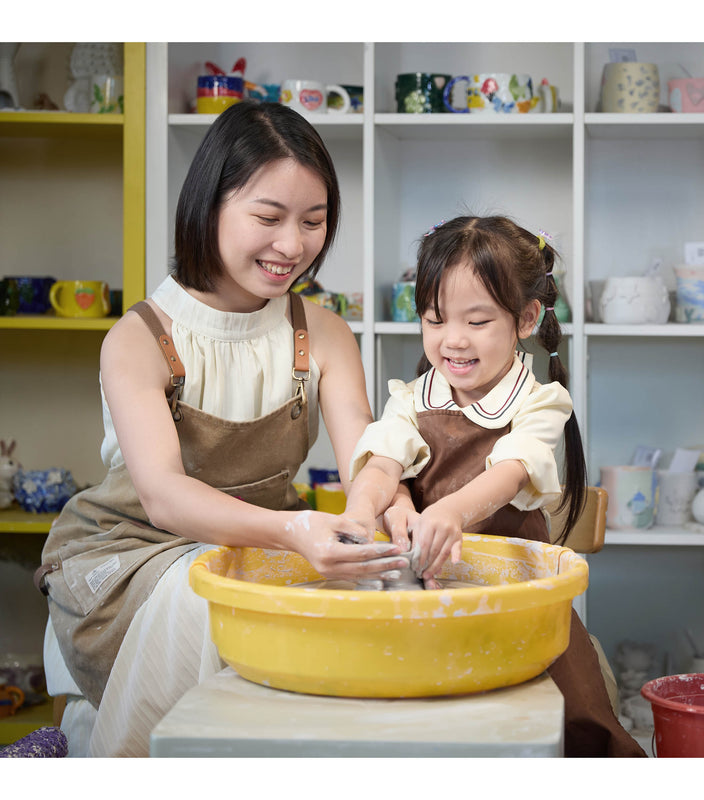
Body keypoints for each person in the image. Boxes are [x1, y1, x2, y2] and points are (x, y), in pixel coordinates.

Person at [35, 101, 406, 757]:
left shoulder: (322, 334)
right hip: (136, 553)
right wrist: (293, 531)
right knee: (214, 585)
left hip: (265, 547)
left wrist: (391, 510)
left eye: (314, 222)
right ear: (208, 206)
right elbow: (163, 497)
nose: (293, 245)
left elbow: (367, 460)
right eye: (268, 217)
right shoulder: (141, 338)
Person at [344, 216, 647, 757]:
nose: (453, 340)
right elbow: (383, 463)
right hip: (426, 593)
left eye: (478, 321)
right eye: (434, 320)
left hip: (517, 596)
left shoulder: (538, 402)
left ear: (525, 318)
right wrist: (369, 509)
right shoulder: (411, 398)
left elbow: (511, 472)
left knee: (578, 721)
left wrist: (449, 512)